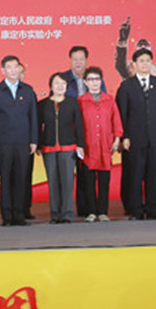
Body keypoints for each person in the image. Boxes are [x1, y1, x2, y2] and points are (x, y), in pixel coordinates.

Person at [116, 48, 156, 220]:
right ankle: (136, 209)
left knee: (154, 174)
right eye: (141, 61)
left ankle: (153, 207)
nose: (145, 64)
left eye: (148, 60)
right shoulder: (126, 86)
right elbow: (122, 114)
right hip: (134, 137)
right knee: (135, 174)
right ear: (134, 64)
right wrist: (124, 136)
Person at [0, 55, 38, 226]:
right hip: (4, 142)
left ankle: (19, 214)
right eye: (9, 67)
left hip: (23, 141)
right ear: (3, 70)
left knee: (21, 178)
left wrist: (33, 140)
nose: (13, 70)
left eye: (15, 67)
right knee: (6, 179)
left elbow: (33, 117)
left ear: (19, 69)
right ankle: (7, 216)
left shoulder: (28, 90)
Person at [61, 45, 104, 218]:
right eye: (75, 59)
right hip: (69, 132)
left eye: (81, 59)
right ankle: (68, 209)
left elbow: (103, 102)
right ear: (70, 60)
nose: (78, 62)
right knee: (70, 171)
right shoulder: (63, 79)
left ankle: (88, 208)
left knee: (87, 171)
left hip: (91, 133)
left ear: (86, 60)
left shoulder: (94, 78)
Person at [78, 67, 123, 222]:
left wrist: (117, 139)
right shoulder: (80, 101)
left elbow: (116, 120)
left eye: (97, 79)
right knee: (88, 181)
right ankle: (91, 211)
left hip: (105, 145)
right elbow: (76, 125)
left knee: (104, 181)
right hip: (88, 146)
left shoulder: (109, 100)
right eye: (90, 79)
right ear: (85, 82)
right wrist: (78, 144)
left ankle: (103, 211)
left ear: (101, 81)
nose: (94, 82)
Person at [38, 72, 85, 223]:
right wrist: (38, 144)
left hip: (68, 147)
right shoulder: (43, 104)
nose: (60, 86)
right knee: (52, 182)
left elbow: (79, 125)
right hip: (48, 147)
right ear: (50, 86)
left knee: (67, 181)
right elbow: (38, 126)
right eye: (56, 83)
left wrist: (81, 144)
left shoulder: (72, 103)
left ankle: (67, 213)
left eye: (63, 84)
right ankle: (55, 214)